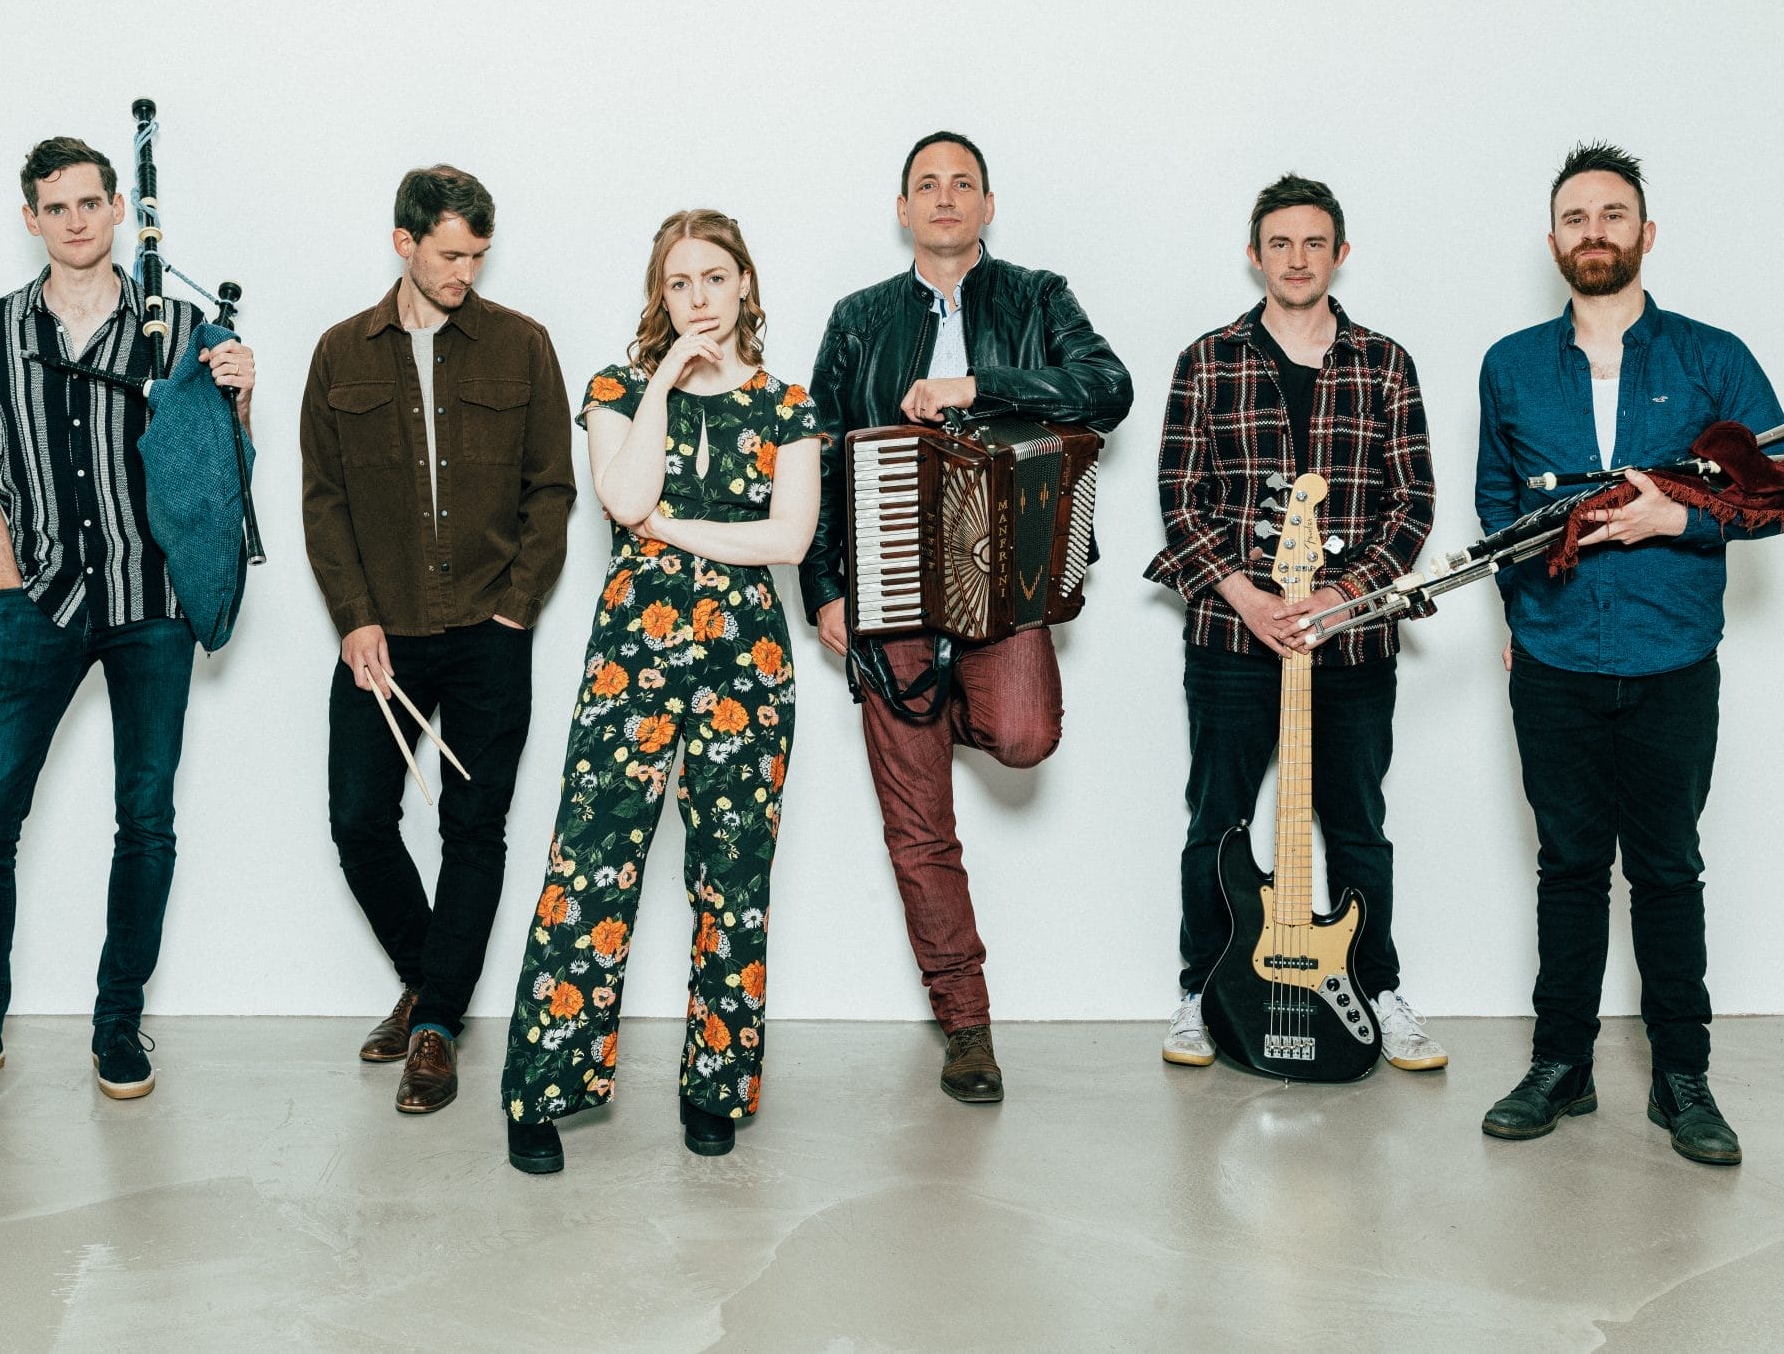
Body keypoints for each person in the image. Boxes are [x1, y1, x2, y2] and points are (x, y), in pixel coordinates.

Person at [1475, 142, 1784, 1167]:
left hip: (1670, 662)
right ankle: (1559, 1068)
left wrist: (1678, 519)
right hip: (1555, 663)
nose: (1593, 232)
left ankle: (1682, 1081)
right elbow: (1498, 512)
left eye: (1612, 215)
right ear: (1552, 241)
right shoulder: (1511, 365)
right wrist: (1517, 620)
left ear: (1644, 233)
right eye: (1575, 218)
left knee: (1666, 869)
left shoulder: (1711, 357)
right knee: (1568, 867)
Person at [0, 136, 253, 1108]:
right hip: (41, 599)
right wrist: (13, 589)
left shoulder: (180, 326)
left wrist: (243, 395)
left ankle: (116, 1025)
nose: (76, 221)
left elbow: (219, 472)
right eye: (55, 207)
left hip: (153, 606)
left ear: (115, 210)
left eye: (91, 203)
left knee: (144, 821)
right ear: (32, 219)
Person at [799, 131, 1131, 1103]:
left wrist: (979, 387)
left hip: (1005, 585)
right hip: (887, 587)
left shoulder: (1038, 298)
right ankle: (966, 1028)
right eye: (924, 186)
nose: (943, 198)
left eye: (962, 184)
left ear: (988, 206)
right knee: (920, 830)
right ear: (902, 211)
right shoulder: (859, 320)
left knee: (1026, 735)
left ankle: (926, 713)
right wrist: (823, 588)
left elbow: (1107, 390)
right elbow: (816, 454)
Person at [500, 210, 825, 1173]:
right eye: (680, 283)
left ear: (745, 286)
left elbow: (789, 542)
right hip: (631, 656)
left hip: (747, 665)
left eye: (715, 279)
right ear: (661, 295)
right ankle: (543, 1092)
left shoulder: (788, 404)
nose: (699, 299)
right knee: (589, 863)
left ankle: (714, 1089)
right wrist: (665, 384)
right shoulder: (615, 388)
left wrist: (670, 531)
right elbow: (624, 495)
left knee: (734, 877)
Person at [1145, 174, 1446, 1074]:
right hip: (1233, 640)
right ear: (1255, 253)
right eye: (1280, 243)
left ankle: (1377, 987)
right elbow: (1179, 499)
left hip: (1350, 641)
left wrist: (1337, 595)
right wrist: (1249, 596)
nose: (1297, 258)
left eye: (1315, 242)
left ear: (1340, 253)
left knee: (1356, 822)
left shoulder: (1386, 362)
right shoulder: (1207, 360)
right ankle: (1201, 991)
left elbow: (1414, 503)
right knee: (1219, 819)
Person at [300, 164, 576, 1115]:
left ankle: (434, 1026)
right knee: (359, 819)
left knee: (472, 828)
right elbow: (323, 503)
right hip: (384, 632)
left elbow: (553, 490)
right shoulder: (340, 353)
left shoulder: (523, 345)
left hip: (492, 632)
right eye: (451, 253)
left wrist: (518, 606)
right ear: (403, 242)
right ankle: (434, 980)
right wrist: (354, 617)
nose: (466, 270)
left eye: (477, 254)